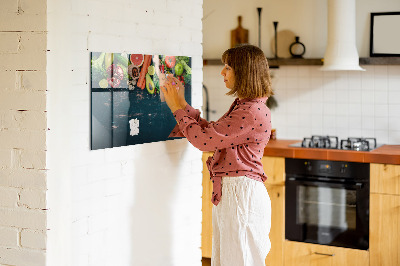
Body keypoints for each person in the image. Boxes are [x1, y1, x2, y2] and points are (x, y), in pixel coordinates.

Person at [161, 44, 273, 266]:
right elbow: (212, 132)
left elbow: (204, 141)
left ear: (244, 72)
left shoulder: (250, 111)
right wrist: (182, 104)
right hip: (236, 193)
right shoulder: (246, 106)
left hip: (241, 195)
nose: (222, 72)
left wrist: (176, 108)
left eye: (228, 67)